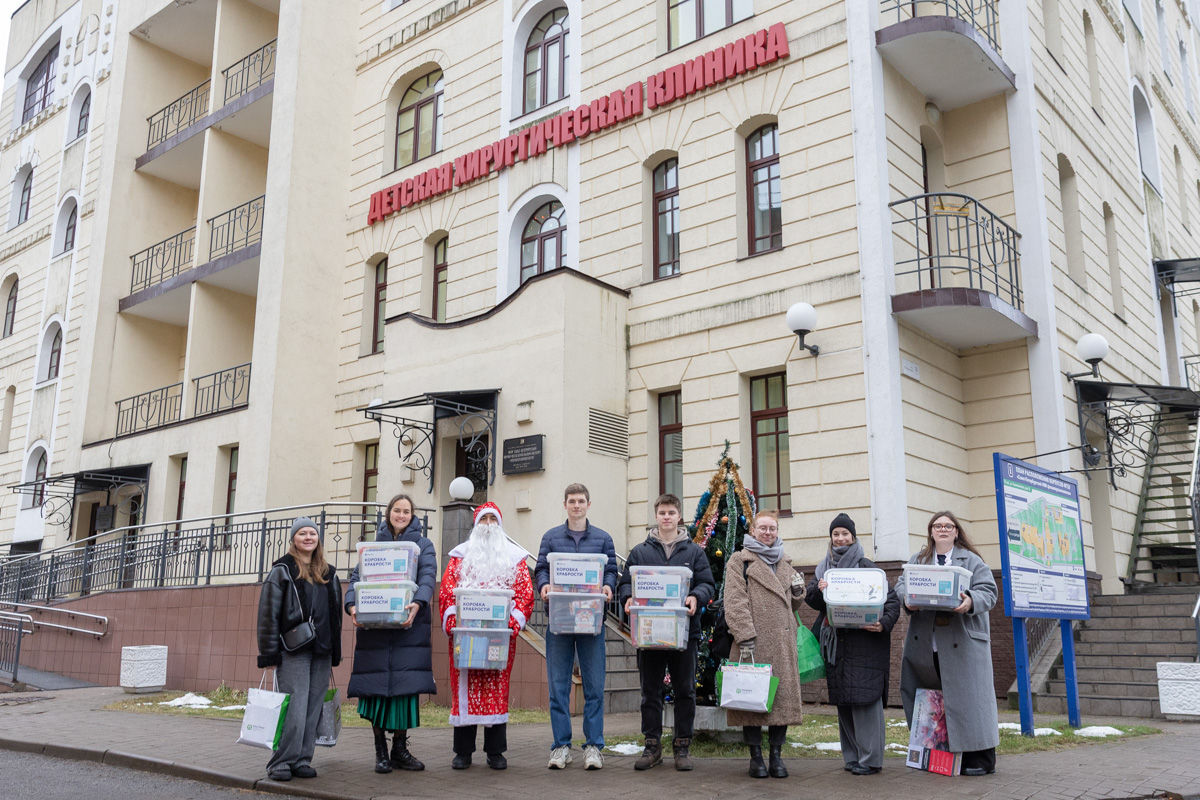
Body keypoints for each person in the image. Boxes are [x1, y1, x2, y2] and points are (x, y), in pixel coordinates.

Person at [894, 510, 1000, 776]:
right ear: (931, 531)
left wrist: (971, 601)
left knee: (969, 703)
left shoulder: (972, 560)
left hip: (962, 644)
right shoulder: (919, 560)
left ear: (956, 531)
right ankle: (939, 756)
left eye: (948, 526)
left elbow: (989, 591)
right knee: (934, 701)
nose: (943, 530)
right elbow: (901, 583)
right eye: (938, 526)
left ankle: (980, 760)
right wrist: (906, 596)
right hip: (927, 646)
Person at [617, 493, 715, 772]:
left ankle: (682, 747)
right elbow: (627, 583)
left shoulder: (694, 552)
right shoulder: (640, 552)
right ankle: (652, 746)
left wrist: (696, 595)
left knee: (685, 691)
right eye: (662, 512)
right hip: (649, 632)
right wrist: (626, 598)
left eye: (671, 512)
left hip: (685, 633)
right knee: (650, 692)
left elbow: (708, 583)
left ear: (679, 516)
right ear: (656, 516)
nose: (667, 517)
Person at [344, 494, 438, 773]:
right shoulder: (372, 546)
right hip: (375, 628)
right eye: (396, 510)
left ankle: (399, 748)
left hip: (410, 626)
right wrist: (351, 605)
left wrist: (418, 603)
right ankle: (380, 751)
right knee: (375, 690)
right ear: (388, 514)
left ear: (412, 515)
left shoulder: (423, 545)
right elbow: (356, 579)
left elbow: (428, 576)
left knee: (404, 690)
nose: (401, 515)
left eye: (406, 511)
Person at [438, 502, 535, 770]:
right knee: (465, 688)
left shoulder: (515, 558)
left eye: (493, 519)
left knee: (497, 686)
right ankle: (463, 751)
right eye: (484, 519)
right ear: (476, 524)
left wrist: (512, 623)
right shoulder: (460, 556)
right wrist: (453, 620)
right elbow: (447, 591)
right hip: (465, 636)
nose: (489, 524)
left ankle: (495, 751)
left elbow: (525, 593)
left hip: (499, 637)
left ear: (500, 524)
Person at [805, 512, 900, 776]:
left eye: (845, 533)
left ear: (853, 537)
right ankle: (852, 757)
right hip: (838, 647)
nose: (840, 538)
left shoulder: (868, 567)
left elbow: (891, 603)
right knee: (845, 703)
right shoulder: (824, 569)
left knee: (865, 703)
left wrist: (882, 624)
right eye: (835, 534)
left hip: (866, 646)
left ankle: (870, 760)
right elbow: (813, 603)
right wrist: (818, 590)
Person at [534, 483, 618, 771]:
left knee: (594, 686)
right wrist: (544, 586)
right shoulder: (552, 537)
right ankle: (560, 747)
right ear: (565, 504)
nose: (577, 505)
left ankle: (593, 746)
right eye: (572, 501)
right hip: (559, 620)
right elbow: (541, 568)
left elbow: (611, 570)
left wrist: (608, 586)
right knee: (558, 688)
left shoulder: (603, 538)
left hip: (592, 621)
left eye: (581, 501)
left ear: (588, 504)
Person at [256, 517, 342, 782]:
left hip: (322, 649)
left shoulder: (329, 572)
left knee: (312, 707)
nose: (308, 537)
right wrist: (269, 654)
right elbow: (268, 614)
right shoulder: (281, 571)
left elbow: (335, 614)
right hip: (292, 649)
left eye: (312, 533)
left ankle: (303, 759)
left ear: (318, 539)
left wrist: (335, 650)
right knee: (294, 705)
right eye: (302, 533)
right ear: (293, 539)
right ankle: (281, 762)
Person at [723, 510, 806, 779]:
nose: (767, 533)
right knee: (752, 700)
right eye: (762, 528)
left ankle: (777, 756)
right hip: (752, 641)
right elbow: (734, 600)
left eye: (772, 528)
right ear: (753, 530)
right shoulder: (740, 561)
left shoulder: (786, 561)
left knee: (780, 703)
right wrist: (745, 634)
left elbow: (791, 605)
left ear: (777, 531)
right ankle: (755, 757)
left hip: (782, 641)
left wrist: (798, 593)